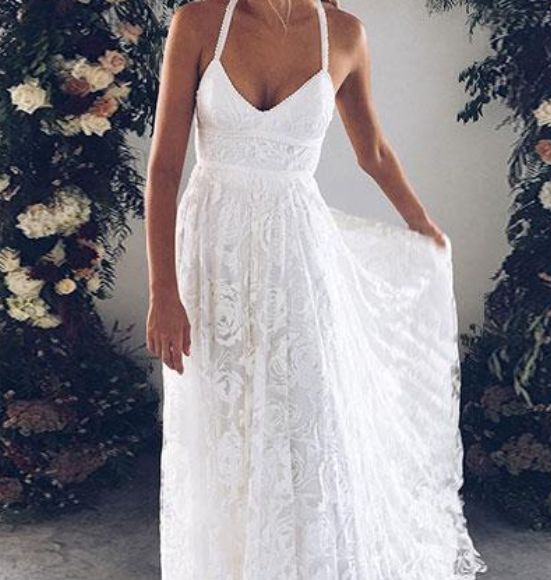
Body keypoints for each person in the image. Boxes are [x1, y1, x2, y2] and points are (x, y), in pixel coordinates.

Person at [144, 0, 488, 577]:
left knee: (302, 417)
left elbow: (372, 151)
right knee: (222, 423)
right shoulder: (200, 21)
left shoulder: (345, 34)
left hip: (298, 253)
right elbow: (164, 168)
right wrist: (163, 290)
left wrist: (423, 226)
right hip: (212, 255)